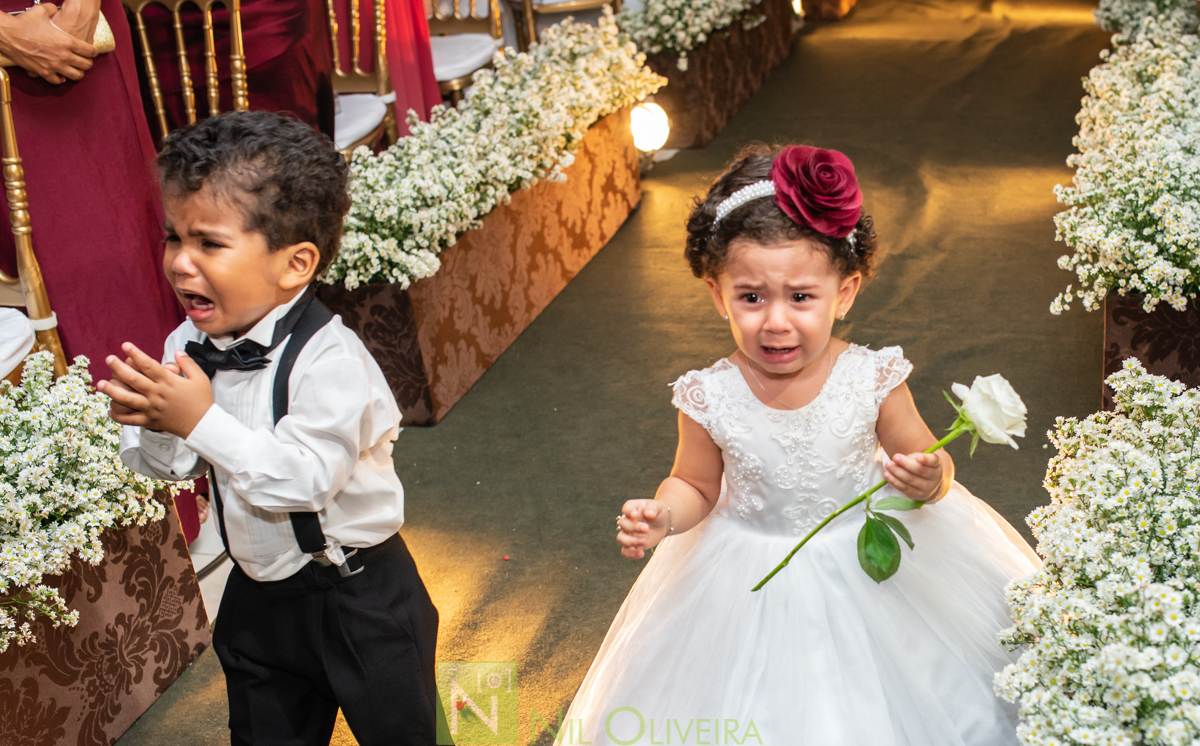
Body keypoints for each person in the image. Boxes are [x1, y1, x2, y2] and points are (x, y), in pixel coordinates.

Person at [566, 144, 1041, 745]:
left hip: (867, 563)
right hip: (743, 568)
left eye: (801, 296)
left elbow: (928, 455)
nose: (777, 321)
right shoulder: (708, 395)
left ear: (844, 292)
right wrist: (664, 514)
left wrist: (932, 476)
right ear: (718, 295)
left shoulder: (871, 378)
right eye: (752, 297)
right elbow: (695, 484)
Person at [98, 111, 439, 746]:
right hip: (257, 595)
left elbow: (304, 482)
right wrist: (160, 426)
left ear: (294, 264)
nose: (179, 263)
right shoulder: (187, 341)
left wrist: (198, 417)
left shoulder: (330, 361)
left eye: (209, 243)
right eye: (173, 237)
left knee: (403, 735)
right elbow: (172, 469)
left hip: (359, 595)